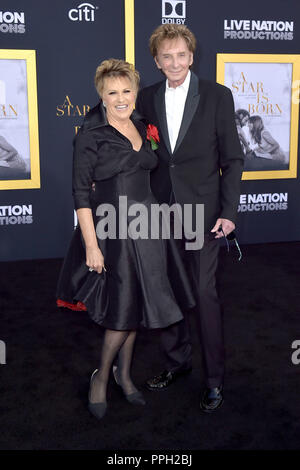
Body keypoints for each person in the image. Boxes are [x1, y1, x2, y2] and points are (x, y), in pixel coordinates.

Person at [56, 59, 194, 420]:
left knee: (135, 307)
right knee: (122, 308)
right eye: (112, 92)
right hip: (113, 230)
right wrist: (91, 245)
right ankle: (101, 377)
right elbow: (80, 194)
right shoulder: (91, 134)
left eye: (127, 90)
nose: (121, 98)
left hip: (149, 227)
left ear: (135, 92)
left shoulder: (140, 124)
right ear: (101, 96)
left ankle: (125, 375)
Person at [136, 24, 244, 412]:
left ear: (192, 56)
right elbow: (147, 153)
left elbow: (232, 159)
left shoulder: (217, 96)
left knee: (203, 292)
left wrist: (229, 213)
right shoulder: (146, 98)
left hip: (206, 215)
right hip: (161, 211)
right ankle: (176, 362)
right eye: (167, 56)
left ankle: (214, 379)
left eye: (181, 55)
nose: (175, 62)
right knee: (166, 292)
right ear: (157, 61)